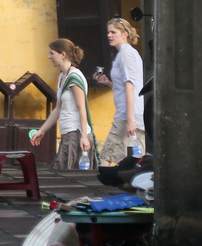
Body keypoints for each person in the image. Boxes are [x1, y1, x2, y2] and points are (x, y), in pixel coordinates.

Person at [29, 39, 94, 170]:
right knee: (63, 172)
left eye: (52, 53)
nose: (49, 57)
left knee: (65, 173)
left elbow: (82, 108)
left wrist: (84, 136)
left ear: (63, 54)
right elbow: (58, 109)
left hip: (75, 133)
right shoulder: (62, 77)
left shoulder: (74, 77)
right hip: (67, 133)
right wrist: (42, 131)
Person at [93, 17, 146, 163]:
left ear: (125, 34)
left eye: (113, 32)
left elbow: (130, 86)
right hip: (127, 114)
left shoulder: (127, 54)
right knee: (130, 159)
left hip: (127, 115)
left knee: (106, 157)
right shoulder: (122, 54)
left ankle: (103, 185)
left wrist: (130, 120)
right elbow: (123, 87)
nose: (109, 35)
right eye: (108, 32)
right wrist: (108, 83)